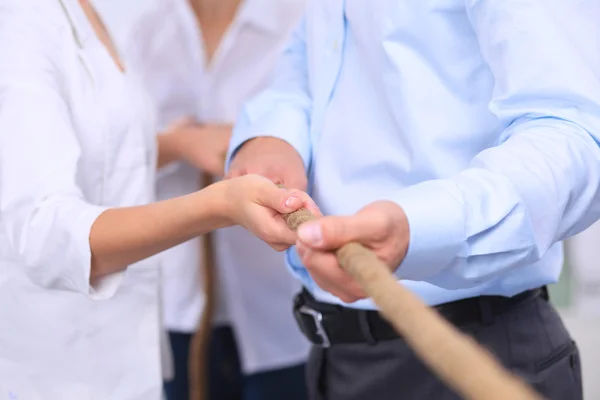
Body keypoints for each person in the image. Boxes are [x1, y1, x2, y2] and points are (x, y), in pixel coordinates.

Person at [226, 1, 600, 399]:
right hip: (337, 359)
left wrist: (420, 227)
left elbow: (575, 135)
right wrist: (274, 134)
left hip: (471, 356)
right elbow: (307, 59)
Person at [0, 1, 319, 399]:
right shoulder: (23, 25)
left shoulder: (84, 16)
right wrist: (216, 201)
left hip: (142, 341)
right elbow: (43, 230)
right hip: (68, 358)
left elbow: (114, 153)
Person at [124, 0, 309, 399]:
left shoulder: (299, 19)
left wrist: (250, 142)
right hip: (176, 298)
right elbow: (111, 156)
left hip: (278, 299)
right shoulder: (145, 32)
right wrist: (180, 144)